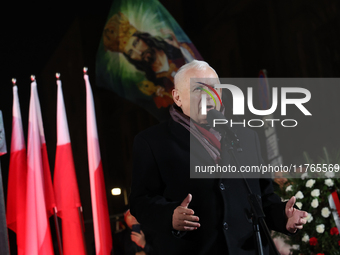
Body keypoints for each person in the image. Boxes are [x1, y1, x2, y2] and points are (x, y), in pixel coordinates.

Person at [129, 60, 308, 255]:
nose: (207, 96)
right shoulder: (152, 141)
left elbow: (263, 198)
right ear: (177, 97)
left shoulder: (247, 136)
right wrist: (169, 216)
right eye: (197, 89)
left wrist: (284, 217)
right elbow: (140, 201)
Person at [103, 12, 201, 108]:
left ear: (142, 38)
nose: (139, 52)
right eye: (131, 53)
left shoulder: (174, 48)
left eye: (136, 43)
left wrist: (181, 49)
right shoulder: (153, 83)